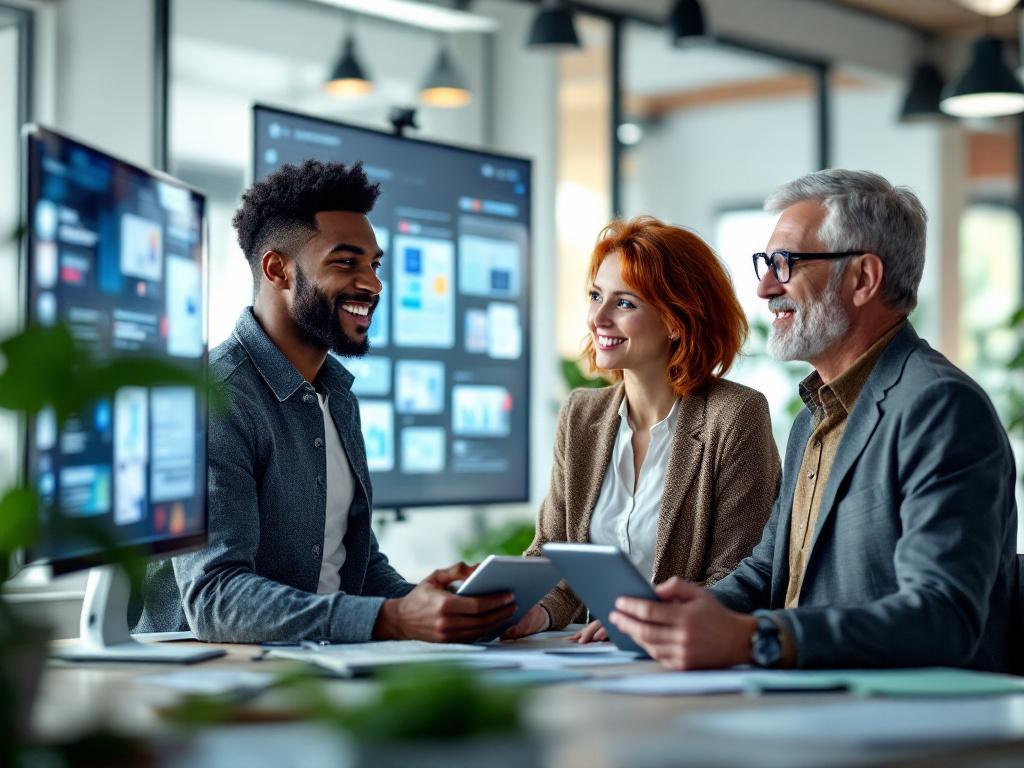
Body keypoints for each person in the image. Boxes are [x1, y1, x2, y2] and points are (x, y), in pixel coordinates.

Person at [609, 170, 1018, 671]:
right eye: (766, 263)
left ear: (863, 279)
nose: (763, 288)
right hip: (813, 701)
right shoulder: (816, 415)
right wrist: (672, 613)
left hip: (909, 724)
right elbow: (768, 571)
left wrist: (754, 637)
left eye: (785, 263)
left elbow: (942, 615)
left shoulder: (940, 407)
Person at [134, 160, 515, 643]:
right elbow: (215, 597)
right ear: (278, 269)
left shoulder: (336, 395)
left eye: (374, 265)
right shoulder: (215, 398)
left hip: (315, 665)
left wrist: (422, 604)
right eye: (345, 262)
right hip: (210, 680)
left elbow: (353, 564)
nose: (373, 284)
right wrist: (390, 620)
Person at [506, 216, 780, 641]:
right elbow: (553, 556)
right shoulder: (580, 416)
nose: (598, 317)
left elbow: (740, 575)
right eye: (596, 295)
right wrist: (533, 612)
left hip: (684, 657)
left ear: (676, 320)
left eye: (624, 303)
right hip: (588, 661)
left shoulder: (736, 414)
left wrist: (646, 621)